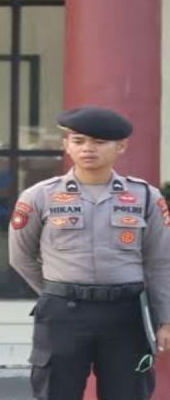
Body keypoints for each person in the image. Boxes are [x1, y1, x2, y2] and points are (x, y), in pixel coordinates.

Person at [9, 106, 170, 400]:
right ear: (66, 145)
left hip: (126, 314)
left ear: (120, 147)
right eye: (79, 140)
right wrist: (56, 291)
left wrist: (165, 320)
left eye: (98, 142)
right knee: (56, 393)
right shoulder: (39, 196)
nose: (87, 149)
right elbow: (20, 257)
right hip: (63, 316)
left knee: (128, 394)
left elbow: (160, 263)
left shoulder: (145, 196)